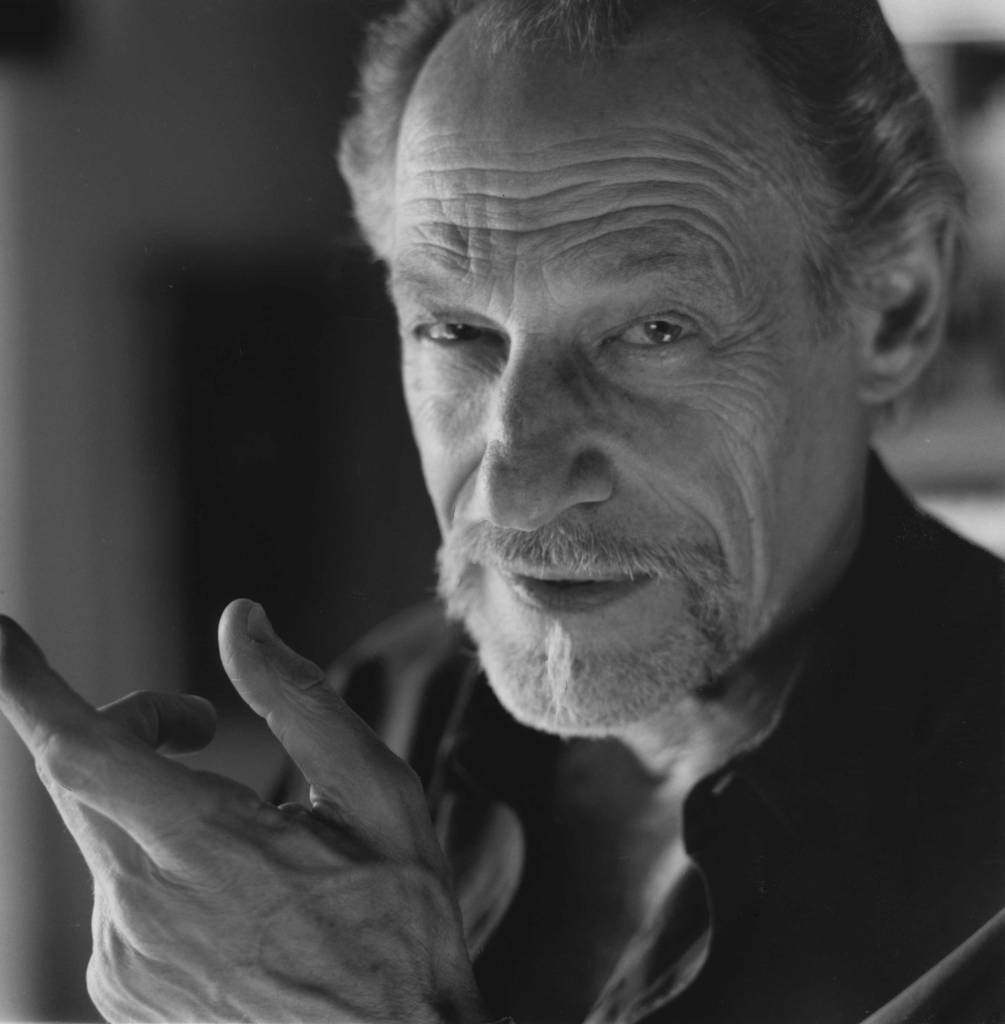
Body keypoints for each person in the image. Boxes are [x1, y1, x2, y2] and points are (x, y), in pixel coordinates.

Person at [0, 0, 1002, 1021]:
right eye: (454, 331)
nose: (513, 484)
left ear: (897, 310)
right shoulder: (392, 709)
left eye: (654, 331)